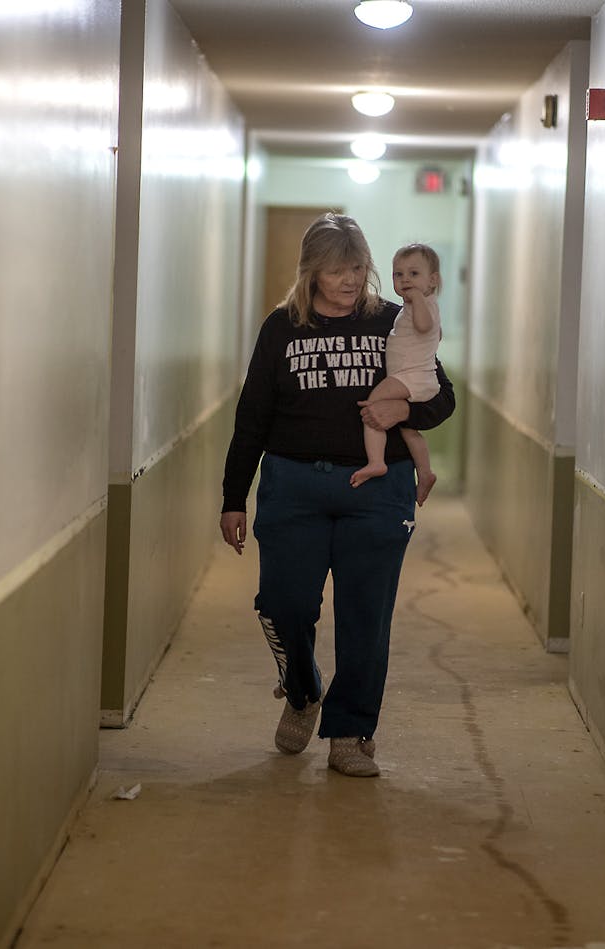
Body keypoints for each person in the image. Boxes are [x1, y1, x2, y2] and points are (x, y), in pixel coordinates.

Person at [219, 213, 455, 778]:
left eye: (357, 268)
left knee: (365, 616)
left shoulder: (392, 323)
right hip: (292, 485)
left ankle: (350, 731)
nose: (349, 280)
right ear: (311, 272)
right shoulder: (282, 328)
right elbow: (252, 417)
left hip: (377, 490)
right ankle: (302, 692)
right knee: (282, 604)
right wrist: (233, 496)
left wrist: (406, 409)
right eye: (335, 270)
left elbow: (440, 396)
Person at [349, 243, 442, 506]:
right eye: (398, 274)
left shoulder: (421, 304)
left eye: (414, 274)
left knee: (374, 406)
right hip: (416, 377)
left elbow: (425, 326)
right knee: (408, 430)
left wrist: (419, 301)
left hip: (410, 377)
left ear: (432, 280)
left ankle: (376, 462)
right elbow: (435, 333)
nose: (405, 280)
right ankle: (425, 472)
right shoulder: (417, 305)